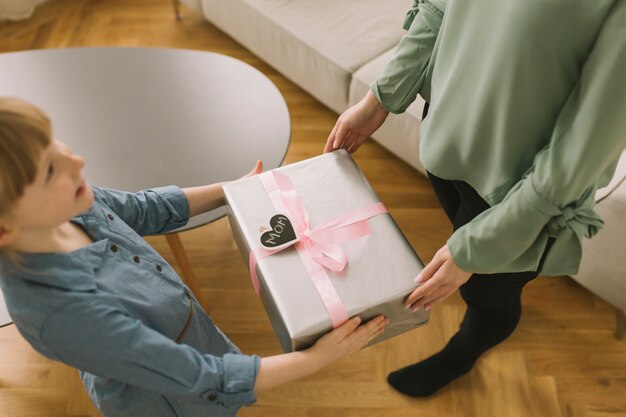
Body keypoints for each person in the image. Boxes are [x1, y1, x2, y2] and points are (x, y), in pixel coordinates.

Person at [0, 97, 389, 417]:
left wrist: (233, 191)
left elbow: (143, 208)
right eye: (51, 169)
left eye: (56, 143)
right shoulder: (62, 314)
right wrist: (316, 359)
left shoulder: (68, 204)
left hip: (194, 337)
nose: (76, 161)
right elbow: (202, 378)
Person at [325, 0, 626, 398]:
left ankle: (463, 352)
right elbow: (439, 9)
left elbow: (578, 152)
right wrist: (377, 99)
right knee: (482, 273)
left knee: (485, 294)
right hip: (447, 140)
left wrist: (475, 248)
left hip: (520, 198)